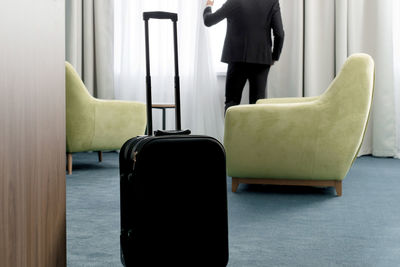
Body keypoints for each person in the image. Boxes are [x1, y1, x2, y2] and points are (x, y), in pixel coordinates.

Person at [203, 0, 284, 112]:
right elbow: (279, 33)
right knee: (257, 104)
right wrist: (274, 56)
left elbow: (209, 21)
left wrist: (208, 5)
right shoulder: (272, 2)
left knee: (232, 103)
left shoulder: (234, 1)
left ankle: (232, 130)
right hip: (261, 59)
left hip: (237, 58)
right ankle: (255, 130)